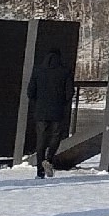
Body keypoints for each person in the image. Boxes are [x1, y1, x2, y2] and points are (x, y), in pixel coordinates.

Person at [25, 36, 76, 179]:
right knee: (56, 136)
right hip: (57, 110)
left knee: (40, 140)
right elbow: (69, 92)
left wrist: (37, 103)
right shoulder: (65, 72)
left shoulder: (37, 71)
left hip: (41, 111)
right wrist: (63, 103)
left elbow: (30, 92)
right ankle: (49, 159)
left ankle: (39, 172)